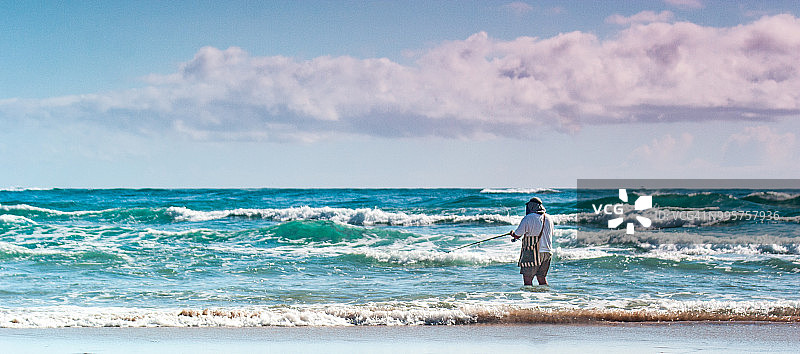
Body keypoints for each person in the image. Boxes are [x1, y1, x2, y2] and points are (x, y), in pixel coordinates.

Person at [510, 197, 554, 286]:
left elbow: (518, 234)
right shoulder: (549, 218)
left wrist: (512, 234)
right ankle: (546, 294)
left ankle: (529, 295)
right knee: (542, 279)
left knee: (528, 281)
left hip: (532, 253)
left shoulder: (528, 218)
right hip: (547, 252)